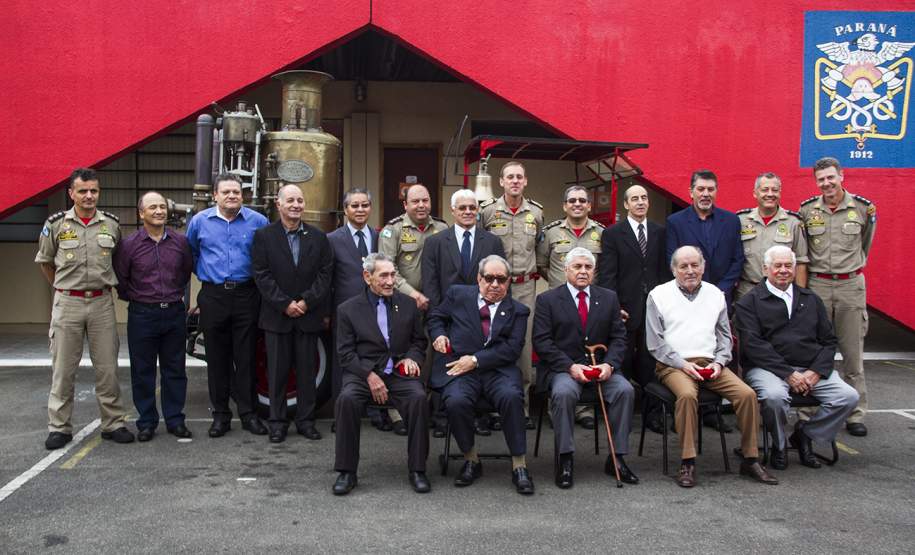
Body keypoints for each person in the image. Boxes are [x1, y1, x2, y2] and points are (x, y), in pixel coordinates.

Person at [646, 246, 777, 488]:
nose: (690, 270)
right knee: (686, 395)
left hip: (710, 363)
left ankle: (750, 458)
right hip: (673, 364)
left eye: (695, 265)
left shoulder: (715, 294)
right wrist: (682, 364)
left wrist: (719, 362)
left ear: (703, 267)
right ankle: (688, 461)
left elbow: (725, 337)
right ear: (673, 269)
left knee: (747, 395)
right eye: (683, 266)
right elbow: (655, 344)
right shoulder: (658, 295)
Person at [36, 168, 134, 449]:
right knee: (64, 369)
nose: (89, 196)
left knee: (107, 368)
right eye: (83, 191)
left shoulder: (112, 225)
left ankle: (113, 423)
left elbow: (117, 260)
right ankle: (59, 427)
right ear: (71, 194)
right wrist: (65, 289)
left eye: (93, 190)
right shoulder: (55, 224)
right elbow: (45, 262)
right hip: (68, 303)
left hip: (102, 303)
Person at [735, 246, 859, 469]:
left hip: (810, 369)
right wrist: (788, 374)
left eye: (788, 265)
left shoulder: (811, 299)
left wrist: (816, 371)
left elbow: (829, 341)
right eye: (777, 265)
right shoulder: (749, 302)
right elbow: (753, 346)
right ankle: (779, 445)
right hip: (768, 369)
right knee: (774, 397)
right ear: (766, 269)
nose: (783, 270)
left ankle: (806, 435)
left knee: (848, 396)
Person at [427, 255, 534, 494]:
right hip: (459, 369)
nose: (495, 285)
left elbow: (512, 350)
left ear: (508, 283)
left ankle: (519, 465)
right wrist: (438, 335)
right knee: (455, 401)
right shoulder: (458, 295)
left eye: (501, 279)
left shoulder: (518, 311)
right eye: (489, 278)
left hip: (497, 370)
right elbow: (436, 317)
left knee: (512, 397)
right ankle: (471, 459)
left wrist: (475, 361)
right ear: (479, 278)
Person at [532, 248, 637, 488]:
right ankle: (565, 458)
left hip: (601, 368)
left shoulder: (608, 297)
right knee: (563, 393)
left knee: (625, 390)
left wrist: (610, 364)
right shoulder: (547, 300)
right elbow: (542, 341)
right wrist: (569, 366)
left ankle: (617, 458)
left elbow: (619, 338)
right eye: (577, 267)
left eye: (587, 267)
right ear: (566, 270)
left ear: (593, 271)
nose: (582, 272)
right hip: (564, 370)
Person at [332, 253, 430, 495]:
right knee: (347, 400)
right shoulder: (348, 309)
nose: (390, 281)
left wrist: (412, 357)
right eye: (383, 275)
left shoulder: (407, 304)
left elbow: (419, 341)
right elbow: (345, 353)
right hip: (362, 373)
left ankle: (417, 469)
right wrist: (368, 375)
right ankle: (347, 472)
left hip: (397, 373)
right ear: (368, 277)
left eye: (393, 275)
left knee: (418, 399)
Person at [186, 173, 269, 438]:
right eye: (226, 192)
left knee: (246, 358)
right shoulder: (199, 222)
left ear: (242, 195)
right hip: (213, 296)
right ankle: (220, 415)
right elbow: (192, 254)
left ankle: (248, 414)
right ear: (215, 195)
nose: (232, 196)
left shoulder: (258, 222)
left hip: (247, 295)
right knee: (217, 359)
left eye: (236, 192)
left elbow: (265, 257)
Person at [798, 157, 876, 437]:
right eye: (821, 179)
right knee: (814, 349)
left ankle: (856, 413)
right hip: (818, 285)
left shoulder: (863, 208)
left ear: (841, 176)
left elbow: (865, 244)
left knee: (852, 354)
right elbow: (804, 252)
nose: (827, 183)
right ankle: (807, 410)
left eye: (831, 177)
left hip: (849, 285)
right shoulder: (807, 211)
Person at [252, 184, 333, 443]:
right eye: (290, 200)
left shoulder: (319, 237)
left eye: (300, 200)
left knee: (307, 372)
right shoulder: (264, 236)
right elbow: (261, 275)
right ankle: (277, 422)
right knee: (277, 372)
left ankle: (306, 421)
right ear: (279, 204)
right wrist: (285, 303)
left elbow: (325, 274)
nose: (296, 205)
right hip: (278, 316)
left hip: (308, 316)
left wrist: (306, 302)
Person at [113, 191, 194, 441]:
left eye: (162, 207)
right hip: (142, 315)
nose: (159, 211)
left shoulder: (180, 242)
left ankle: (175, 419)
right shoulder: (128, 245)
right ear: (141, 213)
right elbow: (121, 280)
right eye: (152, 207)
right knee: (143, 371)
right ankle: (147, 422)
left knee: (175, 369)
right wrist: (143, 299)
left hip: (173, 312)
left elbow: (185, 273)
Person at [597, 184, 670, 434]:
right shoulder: (613, 234)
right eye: (634, 199)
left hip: (654, 308)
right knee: (623, 359)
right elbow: (607, 275)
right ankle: (621, 413)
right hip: (625, 309)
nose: (640, 202)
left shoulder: (661, 232)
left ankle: (652, 415)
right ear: (626, 205)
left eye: (644, 198)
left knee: (651, 363)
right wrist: (614, 306)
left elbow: (663, 270)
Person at [379, 184, 448, 435]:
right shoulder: (393, 230)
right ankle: (397, 412)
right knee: (400, 353)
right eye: (415, 201)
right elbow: (388, 270)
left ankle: (425, 407)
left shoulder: (441, 228)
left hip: (434, 305)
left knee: (431, 355)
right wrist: (413, 294)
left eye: (425, 201)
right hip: (402, 305)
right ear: (405, 205)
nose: (421, 206)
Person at [480, 161, 543, 427]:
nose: (515, 181)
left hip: (525, 286)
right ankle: (495, 407)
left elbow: (540, 251)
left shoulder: (537, 213)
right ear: (501, 182)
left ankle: (523, 408)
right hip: (497, 287)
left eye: (519, 177)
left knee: (524, 347)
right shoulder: (488, 212)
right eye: (510, 177)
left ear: (525, 181)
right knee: (495, 341)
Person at [536, 185, 604, 429]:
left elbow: (601, 268)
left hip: (589, 304)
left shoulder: (600, 232)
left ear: (588, 205)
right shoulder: (551, 233)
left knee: (585, 352)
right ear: (564, 205)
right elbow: (542, 264)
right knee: (557, 353)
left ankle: (584, 408)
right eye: (572, 200)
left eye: (582, 200)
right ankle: (558, 405)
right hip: (559, 304)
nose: (577, 204)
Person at [327, 188, 379, 429]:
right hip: (344, 311)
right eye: (355, 206)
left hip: (375, 309)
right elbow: (327, 279)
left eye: (365, 205)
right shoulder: (332, 239)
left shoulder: (380, 237)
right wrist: (327, 313)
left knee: (374, 358)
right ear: (346, 209)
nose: (360, 210)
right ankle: (343, 416)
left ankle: (377, 411)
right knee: (343, 361)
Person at [665, 169, 744, 306]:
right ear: (691, 192)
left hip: (722, 297)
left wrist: (721, 290)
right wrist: (692, 289)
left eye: (710, 189)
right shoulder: (675, 222)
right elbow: (672, 260)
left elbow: (738, 260)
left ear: (716, 191)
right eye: (701, 189)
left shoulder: (732, 221)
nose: (706, 194)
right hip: (687, 298)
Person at [422, 189, 505, 309]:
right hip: (447, 315)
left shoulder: (493, 242)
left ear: (477, 210)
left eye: (472, 208)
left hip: (483, 314)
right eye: (462, 208)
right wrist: (437, 318)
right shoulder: (434, 243)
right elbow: (430, 286)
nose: (468, 212)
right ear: (453, 210)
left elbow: (502, 280)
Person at [735, 173, 808, 299]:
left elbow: (801, 262)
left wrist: (800, 297)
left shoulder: (793, 222)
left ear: (780, 193)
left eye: (775, 190)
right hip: (748, 292)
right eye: (764, 190)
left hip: (782, 292)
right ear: (755, 193)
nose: (770, 194)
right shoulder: (741, 221)